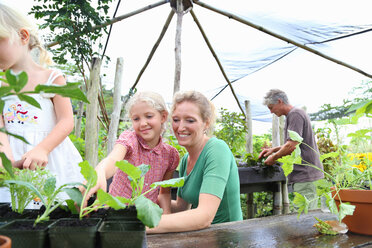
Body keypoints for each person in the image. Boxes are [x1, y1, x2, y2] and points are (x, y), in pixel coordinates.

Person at [0, 3, 83, 203]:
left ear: (22, 36)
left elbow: (66, 121)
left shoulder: (51, 77)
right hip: (17, 160)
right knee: (16, 211)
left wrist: (42, 149)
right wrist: (6, 159)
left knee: (56, 207)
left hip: (51, 156)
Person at [147, 90, 242, 234]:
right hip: (202, 238)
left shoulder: (216, 150)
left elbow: (203, 217)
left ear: (206, 123)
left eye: (190, 120)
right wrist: (144, 202)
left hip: (227, 238)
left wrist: (142, 226)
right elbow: (181, 207)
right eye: (176, 119)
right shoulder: (185, 160)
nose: (180, 127)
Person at [82, 91, 180, 214]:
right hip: (115, 212)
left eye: (149, 116)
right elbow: (113, 160)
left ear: (163, 117)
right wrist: (101, 170)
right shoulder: (129, 140)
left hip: (144, 216)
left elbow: (164, 193)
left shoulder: (170, 155)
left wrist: (166, 218)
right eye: (136, 119)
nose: (143, 123)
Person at [258, 89, 324, 209]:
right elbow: (297, 142)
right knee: (306, 215)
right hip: (306, 176)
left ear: (280, 101)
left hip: (306, 175)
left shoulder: (295, 114)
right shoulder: (294, 114)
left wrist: (273, 158)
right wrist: (273, 150)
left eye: (271, 107)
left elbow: (291, 146)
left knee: (304, 218)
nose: (271, 111)